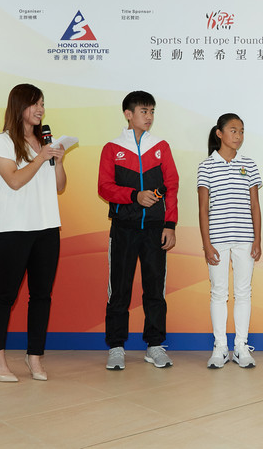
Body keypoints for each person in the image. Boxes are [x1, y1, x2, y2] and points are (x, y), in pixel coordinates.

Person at [0, 83, 67, 382]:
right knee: (5, 295)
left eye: (43, 103)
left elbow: (59, 185)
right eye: (35, 104)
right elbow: (15, 181)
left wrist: (57, 159)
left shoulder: (47, 141)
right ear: (19, 106)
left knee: (41, 296)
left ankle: (35, 357)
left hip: (47, 227)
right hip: (13, 229)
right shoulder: (3, 142)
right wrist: (40, 157)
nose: (40, 109)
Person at [98, 91, 179, 370]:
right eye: (144, 111)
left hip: (155, 230)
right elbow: (104, 187)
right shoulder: (112, 148)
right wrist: (135, 196)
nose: (149, 117)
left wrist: (170, 224)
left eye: (152, 111)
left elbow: (172, 186)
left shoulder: (161, 147)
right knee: (119, 289)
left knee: (154, 289)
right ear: (128, 114)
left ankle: (155, 345)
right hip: (123, 229)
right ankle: (116, 347)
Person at [198, 113, 263, 369]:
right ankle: (220, 347)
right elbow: (203, 208)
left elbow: (255, 206)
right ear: (219, 133)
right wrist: (207, 243)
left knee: (243, 293)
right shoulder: (206, 166)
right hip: (217, 239)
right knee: (218, 292)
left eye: (242, 131)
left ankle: (241, 347)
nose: (238, 136)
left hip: (245, 240)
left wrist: (257, 239)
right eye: (233, 130)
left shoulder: (249, 164)